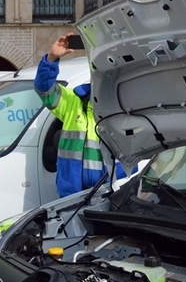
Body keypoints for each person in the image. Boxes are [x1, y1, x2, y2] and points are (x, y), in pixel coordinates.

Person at [33, 32, 126, 197]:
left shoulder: (127, 109)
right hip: (72, 196)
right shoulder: (74, 102)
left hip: (113, 195)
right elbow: (44, 89)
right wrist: (52, 58)